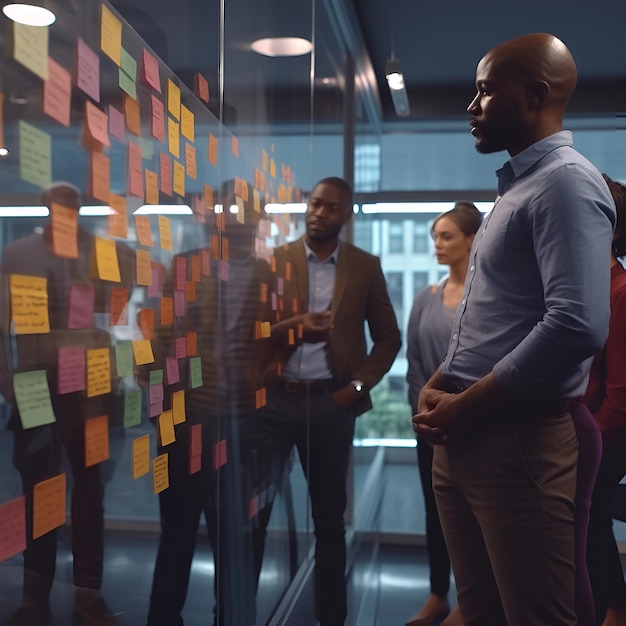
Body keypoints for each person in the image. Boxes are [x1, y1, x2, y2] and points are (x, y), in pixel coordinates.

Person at [412, 33, 615, 626]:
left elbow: (576, 324)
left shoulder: (567, 183)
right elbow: (491, 316)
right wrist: (443, 379)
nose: (471, 107)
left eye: (485, 91)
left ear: (536, 94)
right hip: (470, 431)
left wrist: (466, 403)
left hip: (515, 439)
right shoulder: (517, 189)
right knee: (482, 612)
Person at [254, 176, 401, 626]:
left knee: (330, 523)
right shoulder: (272, 262)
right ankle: (233, 613)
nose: (321, 212)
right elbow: (252, 334)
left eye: (332, 207)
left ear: (345, 215)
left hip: (331, 405)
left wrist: (356, 389)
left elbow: (389, 340)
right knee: (253, 518)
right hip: (274, 403)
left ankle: (332, 619)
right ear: (306, 206)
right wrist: (292, 327)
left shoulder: (365, 265)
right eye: (316, 204)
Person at [0, 182, 134, 626]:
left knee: (89, 488)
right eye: (58, 204)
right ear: (46, 207)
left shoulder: (104, 253)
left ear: (80, 209)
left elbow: (117, 308)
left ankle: (87, 593)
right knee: (41, 487)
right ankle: (36, 595)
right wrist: (8, 384)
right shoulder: (18, 255)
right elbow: (2, 327)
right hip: (37, 381)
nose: (65, 211)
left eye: (72, 205)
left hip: (89, 386)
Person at [146, 181, 265, 626]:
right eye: (227, 208)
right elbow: (159, 342)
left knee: (235, 538)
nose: (234, 217)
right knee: (176, 532)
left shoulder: (271, 274)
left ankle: (231, 618)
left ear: (258, 215)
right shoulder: (185, 267)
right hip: (187, 420)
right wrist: (163, 417)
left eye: (244, 208)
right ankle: (162, 619)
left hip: (244, 423)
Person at [405, 202, 482, 626]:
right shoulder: (424, 299)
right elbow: (415, 362)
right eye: (435, 236)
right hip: (430, 426)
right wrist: (425, 414)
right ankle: (438, 595)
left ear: (473, 240)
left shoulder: (489, 299)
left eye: (447, 236)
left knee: (478, 512)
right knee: (434, 512)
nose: (438, 244)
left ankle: (474, 602)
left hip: (478, 423)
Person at [585, 174, 626, 626]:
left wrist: (586, 441)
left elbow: (619, 396)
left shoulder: (620, 290)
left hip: (602, 436)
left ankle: (615, 608)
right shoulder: (590, 288)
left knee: (590, 524)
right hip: (588, 430)